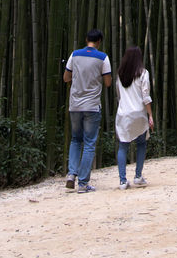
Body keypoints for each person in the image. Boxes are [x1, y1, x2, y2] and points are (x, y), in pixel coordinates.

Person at [63, 28, 112, 193]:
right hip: (92, 106)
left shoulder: (74, 55)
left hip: (75, 105)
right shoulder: (103, 57)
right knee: (89, 143)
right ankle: (83, 183)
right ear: (99, 42)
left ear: (86, 40)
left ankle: (71, 174)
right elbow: (107, 82)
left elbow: (66, 77)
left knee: (75, 140)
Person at [114, 45, 153, 190]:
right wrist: (150, 115)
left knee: (123, 146)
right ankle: (138, 176)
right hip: (138, 114)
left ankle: (123, 181)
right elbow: (146, 97)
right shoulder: (143, 73)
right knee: (141, 143)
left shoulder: (120, 75)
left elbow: (119, 95)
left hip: (123, 113)